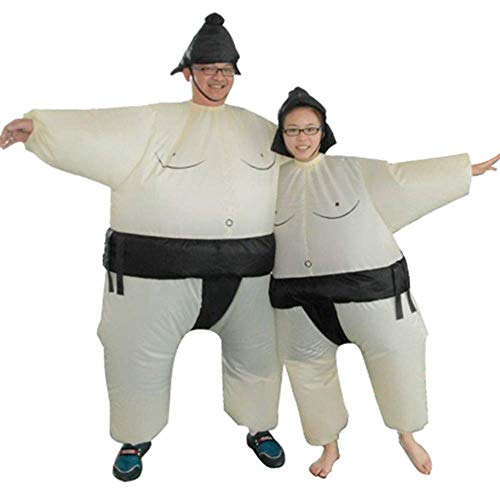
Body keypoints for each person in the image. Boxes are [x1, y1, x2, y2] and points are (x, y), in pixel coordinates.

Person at [0, 13, 286, 481]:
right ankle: (134, 438)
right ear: (188, 72)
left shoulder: (260, 130)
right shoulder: (151, 123)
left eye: (226, 70)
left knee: (259, 357)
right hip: (153, 279)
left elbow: (304, 168)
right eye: (208, 68)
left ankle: (260, 427)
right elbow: (96, 129)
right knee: (137, 360)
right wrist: (40, 129)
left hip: (248, 279)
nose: (218, 78)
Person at [269, 87, 497, 478]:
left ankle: (407, 435)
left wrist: (464, 171)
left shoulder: (351, 170)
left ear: (323, 132)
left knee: (398, 358)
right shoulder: (270, 180)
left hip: (371, 294)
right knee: (307, 373)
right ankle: (329, 446)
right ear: (281, 135)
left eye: (310, 129)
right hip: (298, 302)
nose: (301, 138)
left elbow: (402, 179)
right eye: (292, 130)